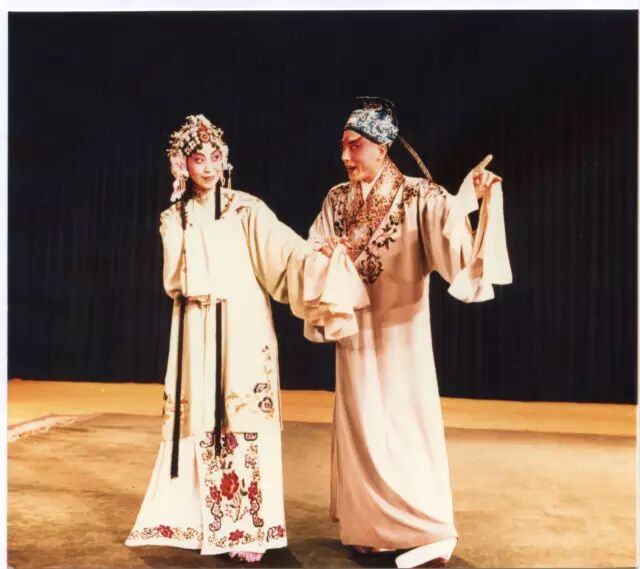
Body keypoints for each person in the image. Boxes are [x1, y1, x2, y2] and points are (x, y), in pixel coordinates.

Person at [125, 114, 368, 563]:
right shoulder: (173, 217)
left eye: (215, 156)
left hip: (244, 328)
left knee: (243, 418)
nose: (208, 166)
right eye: (198, 159)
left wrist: (319, 258)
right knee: (201, 419)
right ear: (181, 165)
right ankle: (201, 522)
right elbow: (175, 280)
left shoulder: (247, 209)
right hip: (196, 329)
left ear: (225, 159)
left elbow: (286, 252)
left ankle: (248, 528)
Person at [306, 97, 512, 568]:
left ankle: (425, 527)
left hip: (402, 336)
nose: (345, 156)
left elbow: (451, 226)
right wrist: (327, 255)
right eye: (343, 146)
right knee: (362, 424)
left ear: (381, 148)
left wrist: (473, 196)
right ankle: (370, 530)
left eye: (354, 146)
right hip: (354, 334)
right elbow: (312, 247)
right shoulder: (336, 199)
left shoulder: (419, 195)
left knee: (404, 424)